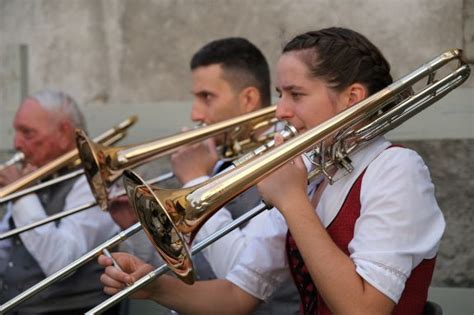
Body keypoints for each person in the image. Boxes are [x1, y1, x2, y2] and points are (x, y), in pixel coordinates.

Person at [100, 28, 445, 315]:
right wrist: (157, 287)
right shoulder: (313, 170)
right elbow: (238, 296)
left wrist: (292, 201)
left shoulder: (397, 169)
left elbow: (363, 310)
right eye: (281, 94)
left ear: (352, 97)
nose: (280, 111)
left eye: (296, 94)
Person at [110, 37, 300, 314]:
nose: (195, 113)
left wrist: (195, 181)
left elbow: (239, 278)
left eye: (207, 97)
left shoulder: (286, 165)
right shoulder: (211, 159)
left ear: (248, 99)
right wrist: (141, 230)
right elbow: (185, 270)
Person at [0, 90, 121, 314]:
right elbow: (7, 250)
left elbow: (62, 263)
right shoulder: (37, 178)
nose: (16, 143)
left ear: (64, 133)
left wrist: (22, 195)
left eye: (27, 133)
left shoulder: (94, 181)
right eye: (16, 132)